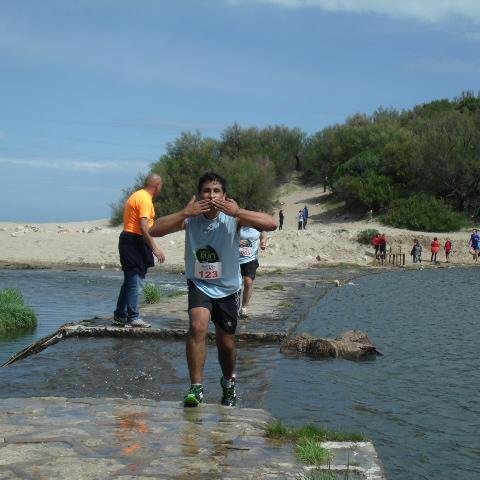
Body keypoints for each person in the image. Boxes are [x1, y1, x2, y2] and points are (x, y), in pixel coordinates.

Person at [149, 172, 277, 407]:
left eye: (216, 191)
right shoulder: (191, 218)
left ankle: (228, 384)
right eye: (207, 191)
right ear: (199, 195)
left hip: (228, 287)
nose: (211, 195)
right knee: (197, 325)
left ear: (225, 196)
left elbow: (271, 223)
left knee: (226, 343)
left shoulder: (233, 218)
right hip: (200, 283)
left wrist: (237, 211)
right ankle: (196, 388)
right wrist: (184, 213)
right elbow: (154, 230)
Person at [113, 174, 166, 328]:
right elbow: (144, 226)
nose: (161, 189)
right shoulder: (144, 199)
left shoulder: (136, 195)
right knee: (135, 280)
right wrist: (155, 248)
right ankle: (133, 317)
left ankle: (120, 314)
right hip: (134, 241)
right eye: (161, 186)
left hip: (128, 240)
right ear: (156, 185)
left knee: (129, 281)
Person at [239, 226, 267, 318]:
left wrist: (263, 241)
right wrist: (236, 242)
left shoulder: (257, 225)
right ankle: (234, 307)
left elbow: (263, 232)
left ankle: (244, 308)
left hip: (251, 259)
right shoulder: (237, 223)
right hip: (234, 259)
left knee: (248, 282)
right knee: (236, 285)